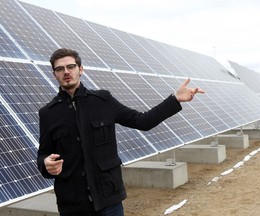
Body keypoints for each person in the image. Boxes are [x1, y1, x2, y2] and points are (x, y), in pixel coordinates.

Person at [37, 48, 204, 216]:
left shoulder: (103, 100)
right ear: (54, 74)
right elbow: (43, 154)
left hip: (108, 200)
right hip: (72, 204)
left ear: (80, 69)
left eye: (71, 66)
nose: (66, 72)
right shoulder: (48, 113)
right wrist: (45, 164)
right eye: (60, 69)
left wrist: (174, 99)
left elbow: (143, 121)